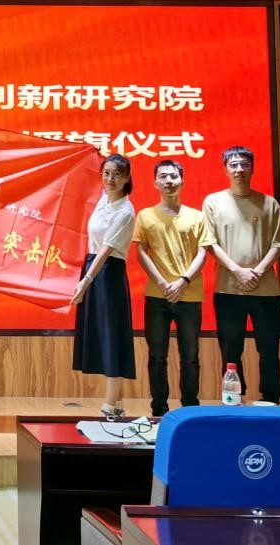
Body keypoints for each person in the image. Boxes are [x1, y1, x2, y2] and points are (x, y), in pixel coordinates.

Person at [204, 145, 280, 403]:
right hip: (228, 289)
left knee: (269, 348)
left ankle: (270, 399)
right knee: (230, 349)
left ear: (252, 168)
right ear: (225, 169)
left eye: (244, 164)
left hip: (267, 291)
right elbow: (210, 243)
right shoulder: (213, 202)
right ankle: (233, 398)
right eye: (234, 165)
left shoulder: (269, 203)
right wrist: (238, 271)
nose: (239, 169)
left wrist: (258, 271)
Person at [132, 159, 213, 417]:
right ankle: (159, 410)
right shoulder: (145, 215)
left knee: (190, 357)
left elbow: (203, 252)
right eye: (163, 176)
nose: (169, 181)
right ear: (155, 182)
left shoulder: (197, 216)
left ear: (182, 181)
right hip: (157, 297)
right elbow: (141, 252)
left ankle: (189, 410)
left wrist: (183, 281)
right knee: (157, 357)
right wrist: (162, 282)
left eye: (173, 176)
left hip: (190, 295)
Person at [71, 154, 137, 417]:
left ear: (127, 178)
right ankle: (117, 405)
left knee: (111, 335)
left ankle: (109, 405)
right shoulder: (104, 199)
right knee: (100, 334)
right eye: (107, 173)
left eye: (117, 174)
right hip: (93, 267)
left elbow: (107, 250)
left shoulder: (125, 211)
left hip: (108, 273)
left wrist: (86, 281)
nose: (111, 179)